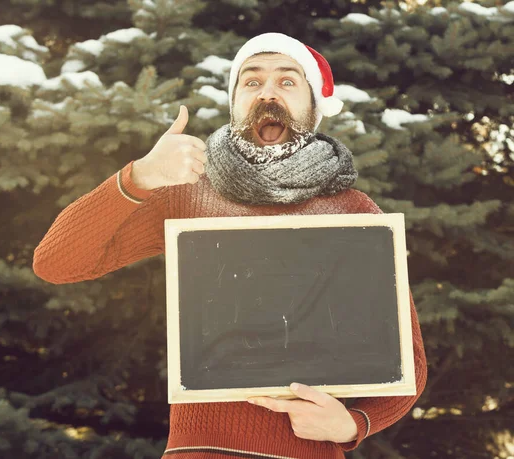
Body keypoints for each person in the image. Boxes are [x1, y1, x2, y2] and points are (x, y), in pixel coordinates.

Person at [33, 32, 427, 459]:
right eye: (252, 82)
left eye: (288, 82)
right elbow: (55, 262)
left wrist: (354, 423)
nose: (267, 94)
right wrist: (138, 178)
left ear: (314, 107)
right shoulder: (185, 192)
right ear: (235, 101)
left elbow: (409, 363)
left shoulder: (354, 212)